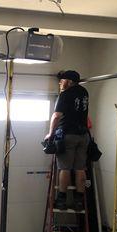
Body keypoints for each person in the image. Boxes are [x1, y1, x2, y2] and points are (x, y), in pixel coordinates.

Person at [44, 70, 89, 211]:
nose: (60, 83)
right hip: (83, 135)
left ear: (69, 81)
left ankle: (62, 199)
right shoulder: (84, 92)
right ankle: (79, 201)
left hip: (68, 135)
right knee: (80, 168)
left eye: (62, 80)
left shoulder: (65, 94)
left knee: (64, 168)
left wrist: (50, 134)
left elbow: (56, 116)